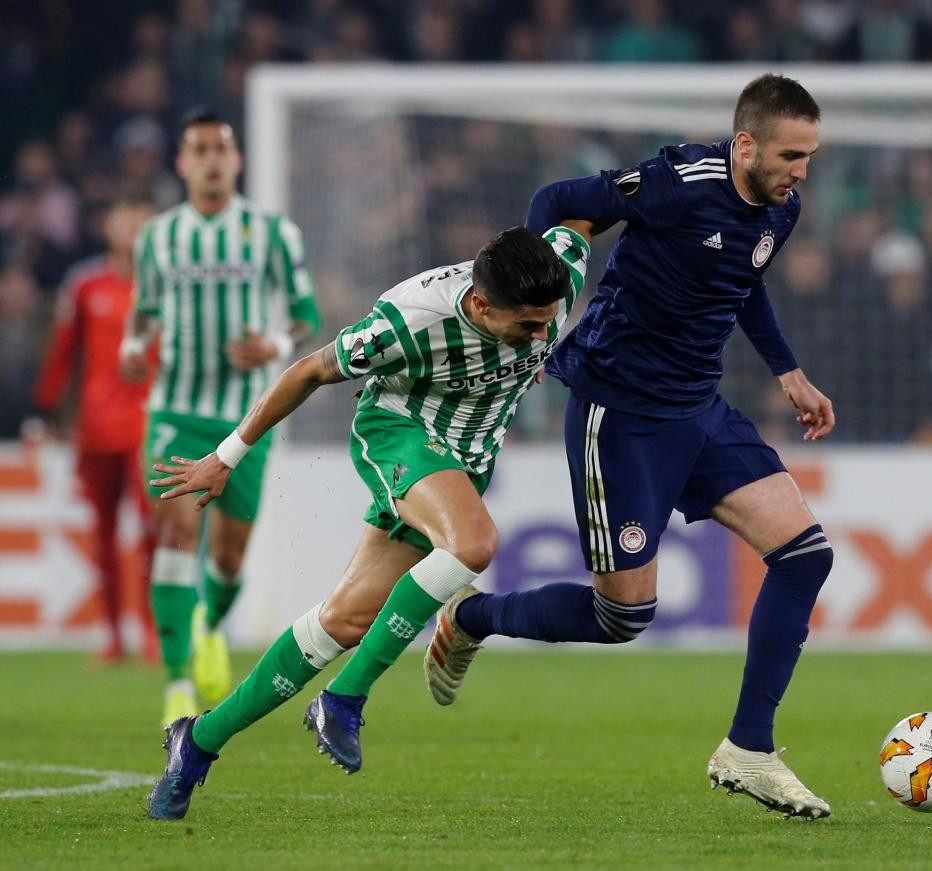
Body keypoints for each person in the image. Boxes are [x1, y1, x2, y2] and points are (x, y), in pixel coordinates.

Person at [422, 73, 836, 820]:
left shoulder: (783, 207)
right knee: (624, 618)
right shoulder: (677, 182)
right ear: (746, 144)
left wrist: (789, 371)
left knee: (806, 553)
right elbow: (556, 201)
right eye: (791, 154)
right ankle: (471, 619)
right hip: (618, 413)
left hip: (697, 410)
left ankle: (749, 747)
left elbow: (746, 279)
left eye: (808, 155)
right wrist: (537, 303)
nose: (802, 170)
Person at [144, 224, 590, 820]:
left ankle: (197, 741)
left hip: (465, 462)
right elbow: (307, 371)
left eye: (549, 321)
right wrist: (226, 457)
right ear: (481, 305)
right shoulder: (407, 323)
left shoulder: (558, 271)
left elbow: (581, 212)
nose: (541, 336)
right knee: (475, 542)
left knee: (345, 621)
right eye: (529, 326)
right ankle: (345, 697)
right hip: (399, 435)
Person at [119, 110, 322, 727]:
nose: (211, 159)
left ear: (236, 161)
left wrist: (278, 348)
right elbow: (144, 314)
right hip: (177, 408)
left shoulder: (272, 232)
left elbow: (304, 314)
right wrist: (132, 347)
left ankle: (208, 620)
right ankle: (178, 684)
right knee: (177, 538)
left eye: (221, 149)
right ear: (182, 163)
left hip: (247, 418)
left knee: (229, 560)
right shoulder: (159, 236)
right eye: (199, 149)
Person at [30, 198, 158, 663]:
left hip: (149, 427)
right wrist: (45, 409)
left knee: (150, 529)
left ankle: (149, 632)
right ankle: (111, 635)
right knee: (103, 530)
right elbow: (64, 352)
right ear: (107, 225)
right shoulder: (86, 285)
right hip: (97, 426)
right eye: (125, 217)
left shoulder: (166, 289)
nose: (132, 227)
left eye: (141, 219)